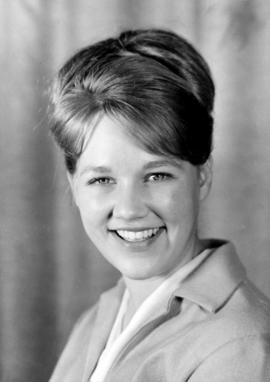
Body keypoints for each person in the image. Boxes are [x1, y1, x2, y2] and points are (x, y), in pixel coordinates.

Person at [48, 29, 270, 381]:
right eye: (102, 180)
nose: (130, 209)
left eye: (157, 176)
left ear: (202, 176)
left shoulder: (236, 345)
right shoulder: (98, 319)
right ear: (73, 184)